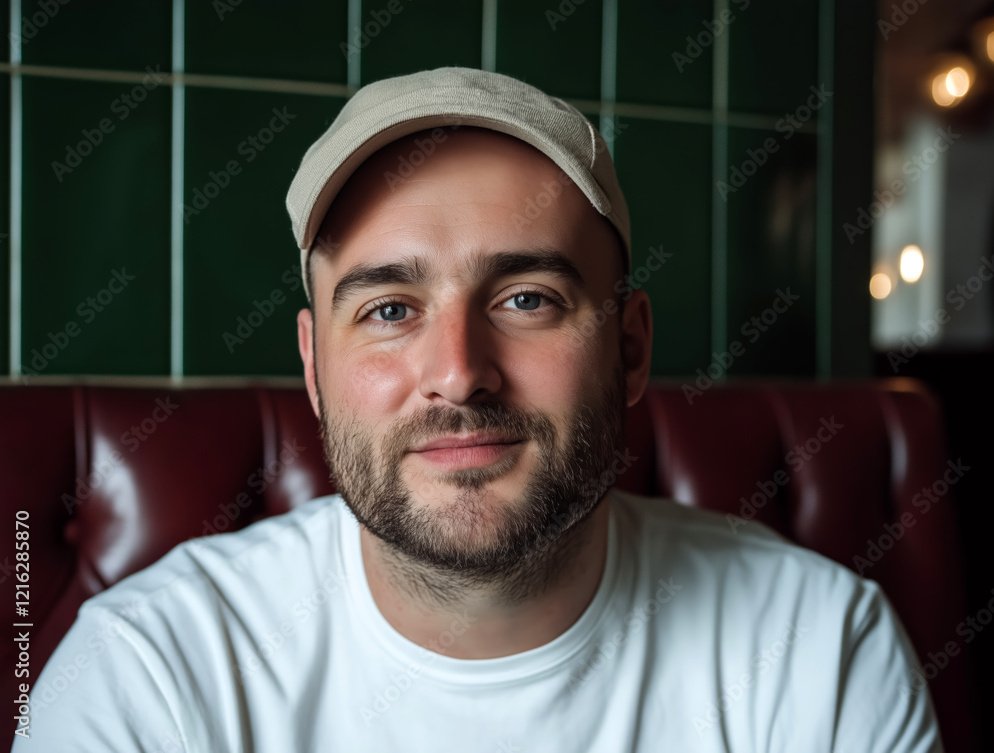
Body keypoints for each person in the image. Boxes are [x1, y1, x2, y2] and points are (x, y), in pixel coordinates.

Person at [15, 67, 943, 752]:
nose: (459, 375)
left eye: (526, 298)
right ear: (313, 367)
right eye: (388, 310)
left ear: (629, 348)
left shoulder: (816, 651)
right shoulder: (149, 676)